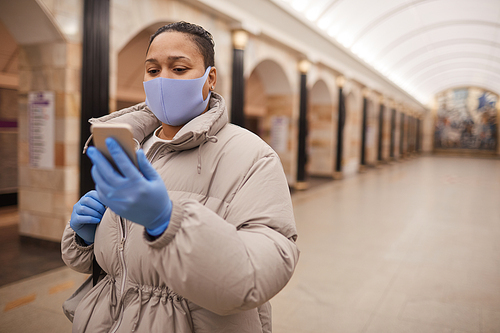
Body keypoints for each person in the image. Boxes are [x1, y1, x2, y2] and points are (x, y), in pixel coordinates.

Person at [61, 21, 299, 333]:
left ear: (209, 77)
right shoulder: (131, 147)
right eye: (153, 70)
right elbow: (113, 266)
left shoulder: (253, 156)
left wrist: (169, 223)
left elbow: (256, 276)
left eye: (179, 68)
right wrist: (84, 239)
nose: (163, 81)